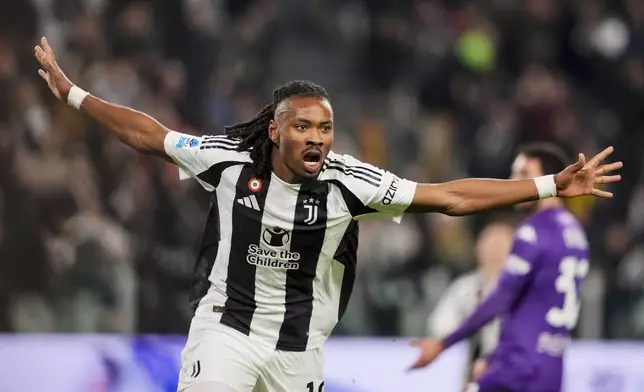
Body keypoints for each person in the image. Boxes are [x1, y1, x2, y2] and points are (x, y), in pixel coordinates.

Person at [34, 37, 622, 392]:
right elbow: (150, 135)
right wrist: (75, 95)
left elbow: (450, 197)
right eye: (304, 127)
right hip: (227, 332)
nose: (317, 138)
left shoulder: (350, 182)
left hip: (299, 348)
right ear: (275, 129)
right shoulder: (230, 159)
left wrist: (548, 185)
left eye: (326, 128)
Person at [409, 143, 616, 392]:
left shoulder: (532, 231)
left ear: (550, 178)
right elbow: (534, 307)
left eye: (523, 174)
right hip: (552, 369)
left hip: (517, 368)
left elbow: (500, 298)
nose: (513, 182)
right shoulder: (575, 234)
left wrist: (442, 344)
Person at [426, 219, 514, 384]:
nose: (495, 253)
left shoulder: (524, 289)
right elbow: (439, 326)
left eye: (501, 246)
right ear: (478, 250)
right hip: (474, 371)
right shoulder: (465, 288)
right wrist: (470, 324)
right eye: (490, 245)